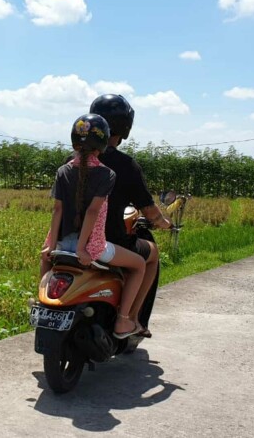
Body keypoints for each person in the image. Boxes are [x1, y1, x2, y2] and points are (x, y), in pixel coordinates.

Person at [41, 113, 149, 338]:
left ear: (73, 143)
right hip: (94, 247)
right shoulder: (106, 174)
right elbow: (92, 212)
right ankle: (123, 321)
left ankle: (43, 307)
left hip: (61, 243)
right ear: (103, 143)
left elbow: (57, 210)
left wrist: (51, 244)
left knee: (45, 259)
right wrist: (82, 248)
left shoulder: (63, 171)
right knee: (139, 264)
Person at [89, 94, 172, 338]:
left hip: (71, 239)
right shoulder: (125, 164)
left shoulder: (73, 161)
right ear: (125, 127)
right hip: (110, 241)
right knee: (151, 254)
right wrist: (163, 222)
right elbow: (148, 209)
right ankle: (131, 319)